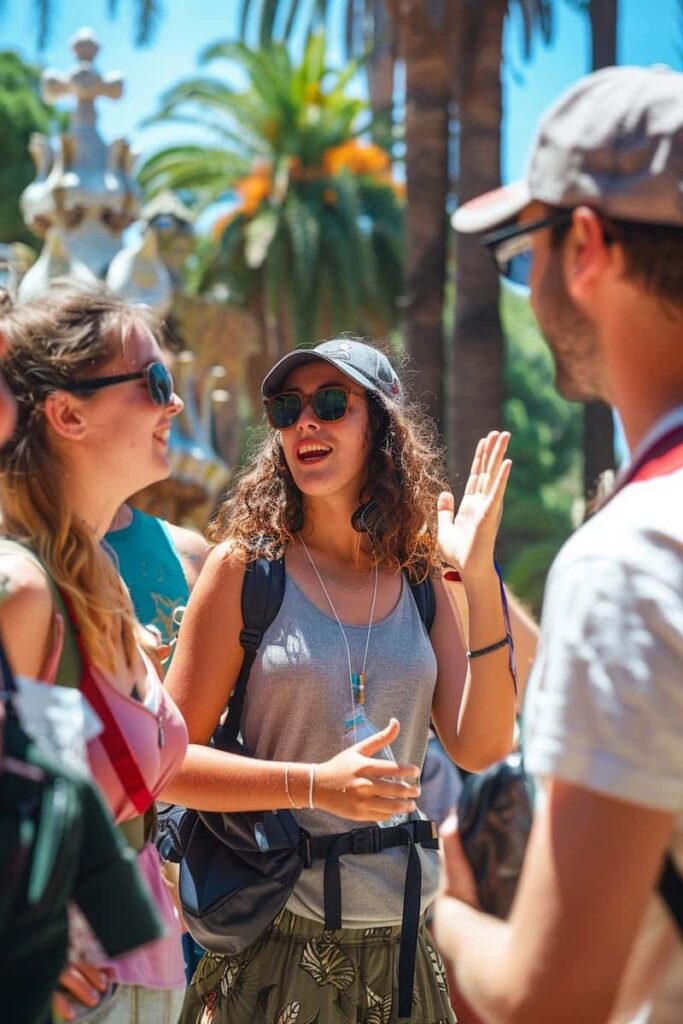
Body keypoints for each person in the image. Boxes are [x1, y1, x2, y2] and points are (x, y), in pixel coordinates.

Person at [162, 336, 519, 1024]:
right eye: (286, 407)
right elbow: (164, 762)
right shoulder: (243, 569)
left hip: (404, 949)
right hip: (275, 945)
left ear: (379, 426)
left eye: (331, 403)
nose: (305, 423)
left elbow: (481, 747)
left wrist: (477, 577)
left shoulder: (421, 575)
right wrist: (311, 785)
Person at [434, 64, 683, 1024]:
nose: (523, 288)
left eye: (518, 252)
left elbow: (551, 996)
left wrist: (448, 910)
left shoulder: (631, 554)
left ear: (583, 246)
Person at [0, 285, 190, 1023]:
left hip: (141, 975)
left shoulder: (97, 574)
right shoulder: (21, 590)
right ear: (68, 413)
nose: (173, 405)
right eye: (154, 384)